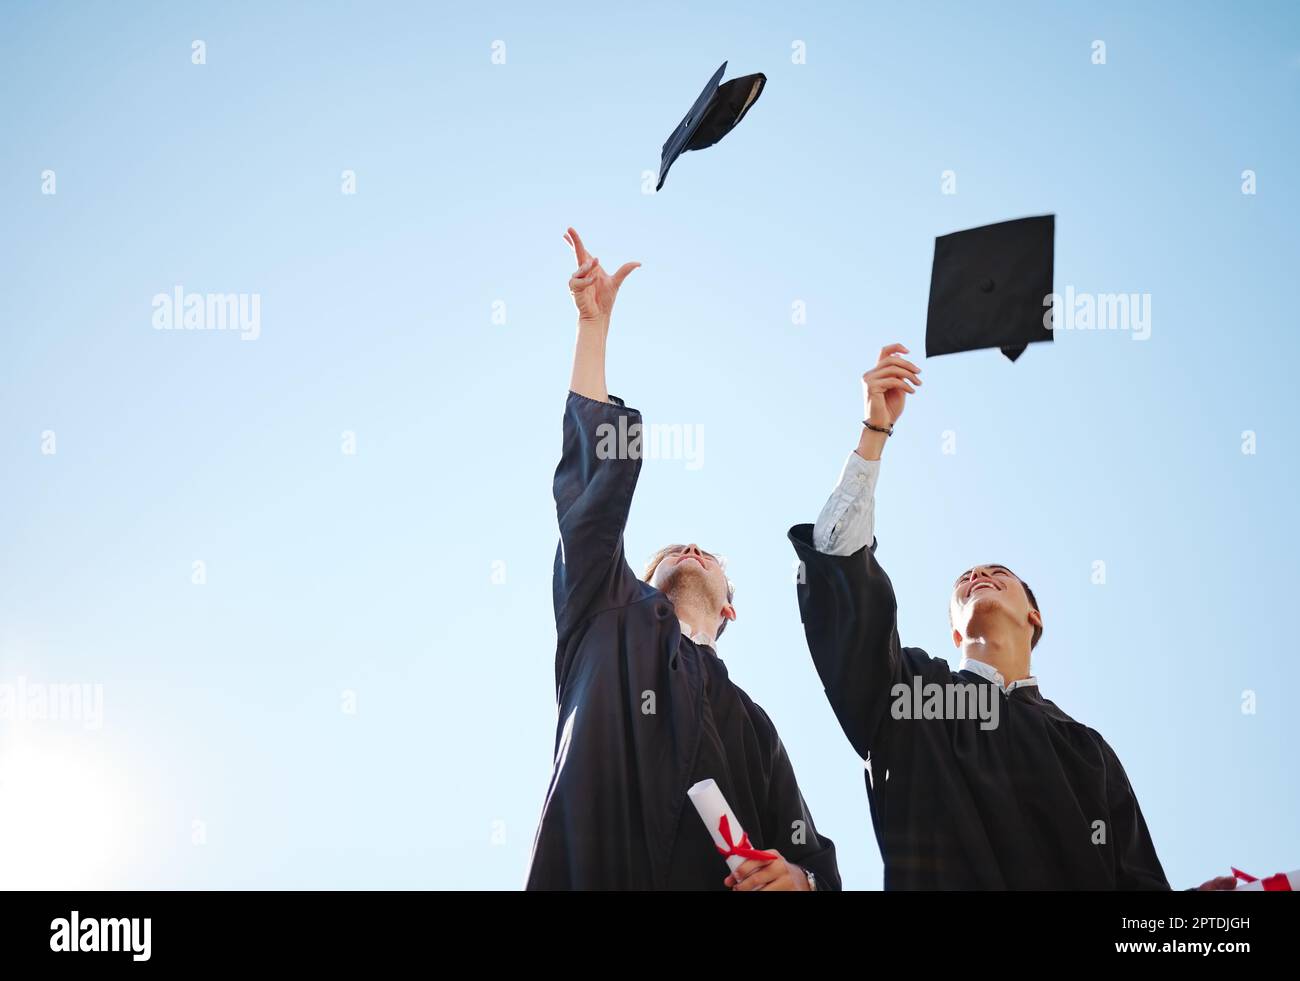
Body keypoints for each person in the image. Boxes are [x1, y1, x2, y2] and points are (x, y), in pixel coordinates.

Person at [788, 342, 1187, 889]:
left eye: (998, 573)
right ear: (956, 630)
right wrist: (874, 433)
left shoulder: (1086, 751)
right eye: (963, 582)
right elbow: (840, 575)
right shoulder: (912, 696)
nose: (976, 575)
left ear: (1035, 616)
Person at [526, 227, 840, 891]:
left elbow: (809, 856)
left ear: (730, 606)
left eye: (709, 553)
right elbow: (589, 492)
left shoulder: (755, 727)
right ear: (639, 578)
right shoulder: (605, 613)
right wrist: (593, 328)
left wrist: (801, 883)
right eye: (672, 549)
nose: (691, 548)